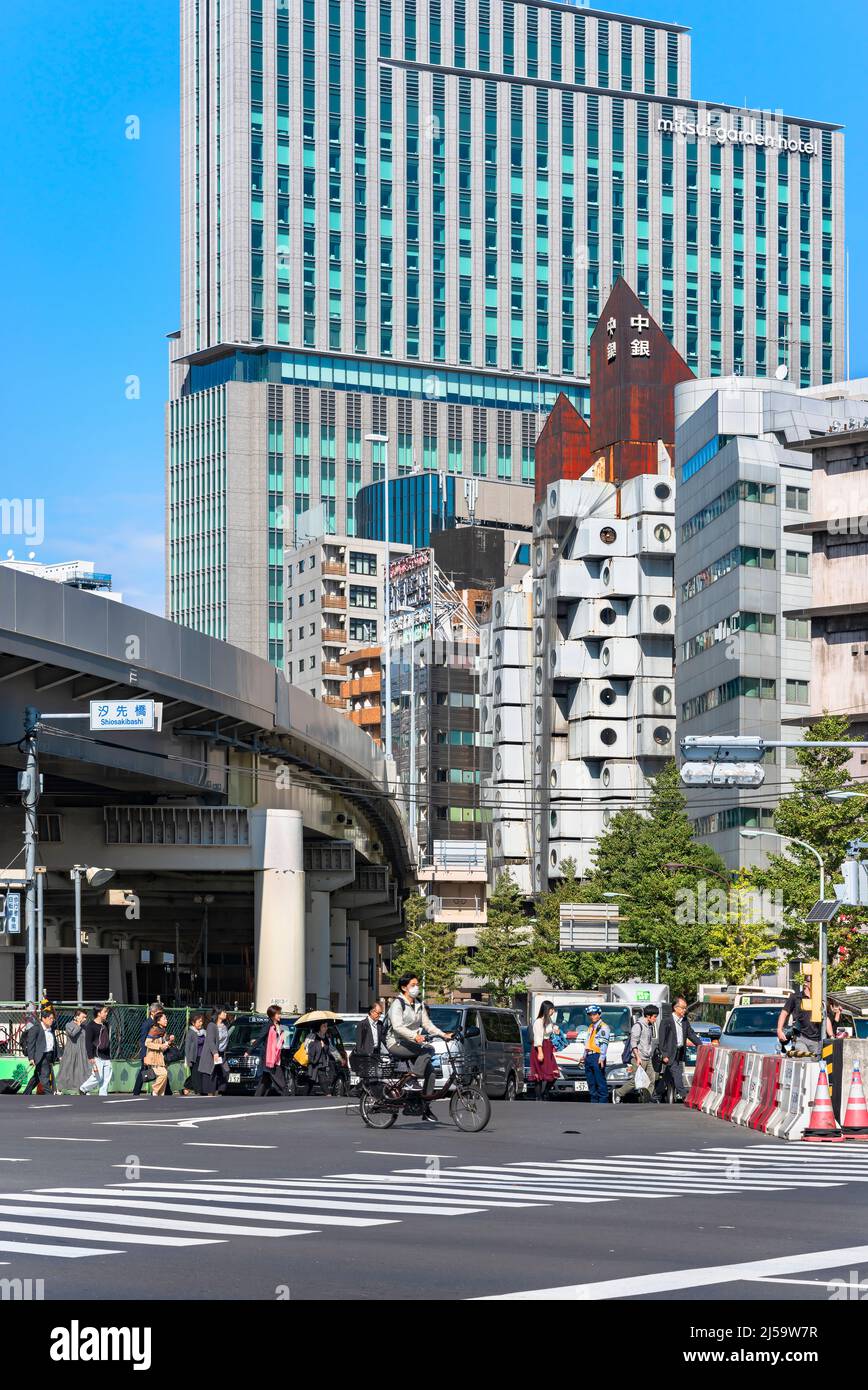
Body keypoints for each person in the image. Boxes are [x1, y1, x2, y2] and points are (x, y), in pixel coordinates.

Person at [385, 974, 452, 1123]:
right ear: (404, 987)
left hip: (412, 1044)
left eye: (417, 984)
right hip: (396, 1043)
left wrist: (443, 1034)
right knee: (428, 1050)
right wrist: (414, 1036)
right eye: (413, 985)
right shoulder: (397, 1004)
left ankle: (425, 1108)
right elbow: (397, 1027)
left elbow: (427, 1024)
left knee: (431, 1074)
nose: (416, 988)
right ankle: (412, 1078)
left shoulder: (418, 1004)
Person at [777, 977, 834, 1058]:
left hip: (817, 1040)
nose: (817, 984)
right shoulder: (796, 997)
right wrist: (779, 1030)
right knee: (805, 1061)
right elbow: (784, 1013)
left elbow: (826, 1018)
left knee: (816, 1065)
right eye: (814, 981)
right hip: (801, 1038)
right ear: (806, 983)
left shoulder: (820, 999)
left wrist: (831, 1036)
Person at [658, 996, 703, 1100]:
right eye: (682, 1008)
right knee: (677, 1074)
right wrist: (664, 1054)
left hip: (679, 1052)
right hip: (669, 1053)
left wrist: (701, 1045)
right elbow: (662, 1039)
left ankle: (655, 1095)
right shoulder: (666, 1021)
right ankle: (684, 1096)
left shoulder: (684, 1020)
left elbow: (691, 1034)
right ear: (675, 1008)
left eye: (685, 1008)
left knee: (668, 1076)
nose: (684, 1010)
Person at [616, 1005, 660, 1103]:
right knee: (637, 1081)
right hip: (638, 1058)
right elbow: (633, 1043)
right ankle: (618, 1092)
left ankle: (647, 1099)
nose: (655, 1019)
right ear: (648, 1016)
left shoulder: (649, 1026)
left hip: (647, 1058)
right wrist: (637, 1057)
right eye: (654, 1017)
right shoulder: (638, 1026)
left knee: (651, 1079)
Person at [132, 1003, 172, 1097]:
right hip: (149, 1053)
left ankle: (166, 1092)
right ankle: (137, 1092)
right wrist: (144, 1056)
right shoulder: (147, 1024)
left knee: (161, 1072)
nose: (161, 1015)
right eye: (159, 1012)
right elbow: (143, 1041)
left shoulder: (158, 1024)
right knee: (145, 1072)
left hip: (157, 1053)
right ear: (153, 1012)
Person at [254, 1006, 288, 1096]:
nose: (280, 1015)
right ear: (272, 1015)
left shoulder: (278, 1025)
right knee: (282, 1083)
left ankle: (256, 1099)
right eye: (278, 1014)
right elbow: (260, 1038)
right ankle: (287, 1099)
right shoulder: (269, 1025)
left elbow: (278, 1041)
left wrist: (282, 1037)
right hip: (270, 1058)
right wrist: (249, 1051)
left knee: (264, 1082)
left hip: (275, 1056)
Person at [54, 1008, 90, 1095]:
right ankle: (59, 1089)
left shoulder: (85, 1027)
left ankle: (84, 1089)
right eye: (83, 1017)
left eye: (85, 1017)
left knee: (83, 1071)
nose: (85, 1019)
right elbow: (73, 1034)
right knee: (66, 1070)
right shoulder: (69, 1025)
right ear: (77, 1016)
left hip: (82, 1052)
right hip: (71, 1052)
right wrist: (78, 1025)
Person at [80, 1004, 113, 1096]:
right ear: (99, 1013)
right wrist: (90, 1056)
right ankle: (83, 1088)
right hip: (96, 1056)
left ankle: (103, 1095)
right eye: (105, 1012)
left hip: (106, 1055)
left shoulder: (105, 1024)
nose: (106, 1014)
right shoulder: (91, 1026)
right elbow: (88, 1042)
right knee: (98, 1077)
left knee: (107, 1078)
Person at [530, 999, 560, 1101]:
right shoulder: (539, 1022)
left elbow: (552, 1028)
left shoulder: (549, 1021)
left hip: (548, 1047)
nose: (553, 1012)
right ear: (546, 1009)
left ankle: (545, 1091)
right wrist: (540, 1052)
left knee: (554, 1072)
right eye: (551, 1009)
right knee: (538, 1074)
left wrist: (555, 1029)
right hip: (540, 1047)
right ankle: (539, 1097)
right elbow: (538, 1037)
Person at [23, 1008, 58, 1095]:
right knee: (45, 1076)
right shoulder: (36, 1029)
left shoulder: (51, 1029)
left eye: (53, 1018)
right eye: (50, 1018)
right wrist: (31, 1058)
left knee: (37, 1077)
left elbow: (54, 1043)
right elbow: (31, 1044)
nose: (52, 1020)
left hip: (49, 1055)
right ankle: (49, 1095)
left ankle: (26, 1094)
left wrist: (58, 1054)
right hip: (40, 1056)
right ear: (43, 1018)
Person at [583, 1004, 612, 1104]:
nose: (592, 1016)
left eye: (594, 1014)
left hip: (597, 1056)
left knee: (600, 1081)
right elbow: (587, 1042)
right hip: (589, 1056)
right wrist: (584, 1056)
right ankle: (593, 1103)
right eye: (590, 1014)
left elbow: (604, 1043)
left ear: (599, 1014)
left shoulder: (603, 1027)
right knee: (591, 1082)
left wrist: (602, 1057)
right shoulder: (591, 1026)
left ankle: (603, 1103)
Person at [199, 1006, 231, 1096]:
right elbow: (210, 1040)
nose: (226, 1014)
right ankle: (210, 1093)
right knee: (211, 1072)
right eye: (223, 1012)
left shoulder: (225, 1025)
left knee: (225, 1071)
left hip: (221, 1053)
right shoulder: (211, 1026)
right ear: (218, 1014)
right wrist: (215, 1052)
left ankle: (218, 1091)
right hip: (213, 1053)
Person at [143, 1011, 174, 1097]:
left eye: (166, 1018)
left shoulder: (163, 1031)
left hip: (160, 1058)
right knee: (163, 1074)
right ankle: (155, 1091)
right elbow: (147, 1043)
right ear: (158, 1021)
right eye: (164, 1019)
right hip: (153, 1058)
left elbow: (164, 1045)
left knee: (164, 1075)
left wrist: (169, 1041)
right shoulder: (154, 1030)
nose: (166, 1020)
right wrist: (160, 1046)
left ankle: (160, 1096)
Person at [182, 1012, 207, 1095]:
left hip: (203, 1057)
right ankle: (199, 1090)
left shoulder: (204, 1032)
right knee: (195, 1075)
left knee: (201, 1074)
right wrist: (188, 1060)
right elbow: (187, 1047)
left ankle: (188, 1087)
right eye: (199, 1021)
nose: (201, 1023)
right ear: (193, 1023)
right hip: (194, 1057)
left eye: (201, 1021)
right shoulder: (191, 1032)